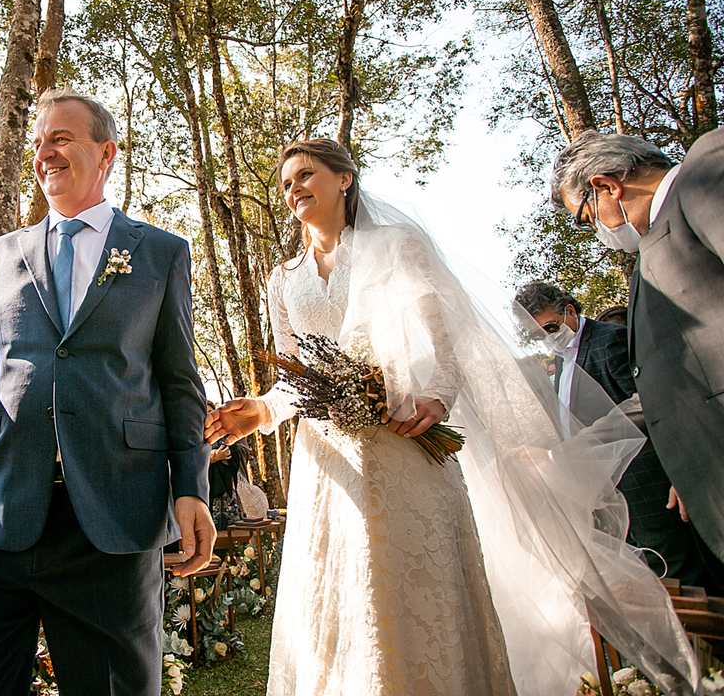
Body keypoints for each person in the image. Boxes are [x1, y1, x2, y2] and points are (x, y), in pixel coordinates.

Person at [206, 138, 699, 696]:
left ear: (344, 179)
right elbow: (296, 373)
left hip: (406, 441)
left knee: (418, 592)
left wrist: (436, 398)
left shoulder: (398, 245)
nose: (293, 189)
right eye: (286, 183)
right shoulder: (283, 278)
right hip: (328, 459)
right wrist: (262, 411)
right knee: (340, 597)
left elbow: (447, 339)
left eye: (305, 175)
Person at [0, 88, 214, 696]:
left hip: (112, 520)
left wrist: (191, 487)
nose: (43, 153)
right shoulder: (2, 254)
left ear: (105, 152)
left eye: (60, 138)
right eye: (37, 142)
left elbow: (181, 383)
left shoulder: (160, 254)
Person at [551, 129, 724, 588]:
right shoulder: (647, 260)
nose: (597, 232)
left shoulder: (706, 170)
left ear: (608, 186)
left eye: (586, 219)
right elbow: (663, 385)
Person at [515, 281, 721, 592]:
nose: (545, 338)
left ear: (569, 311)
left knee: (683, 578)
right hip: (613, 490)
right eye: (535, 334)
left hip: (648, 481)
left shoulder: (610, 341)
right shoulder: (561, 357)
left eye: (550, 327)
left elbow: (650, 406)